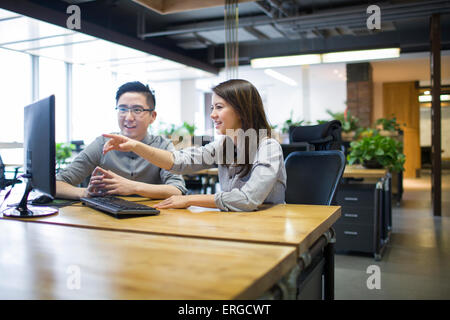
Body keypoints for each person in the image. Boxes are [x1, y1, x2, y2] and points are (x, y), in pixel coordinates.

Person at [102, 79, 286, 211]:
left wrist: (189, 199)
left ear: (241, 111)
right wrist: (135, 145)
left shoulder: (268, 147)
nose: (213, 114)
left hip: (270, 225)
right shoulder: (224, 146)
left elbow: (248, 199)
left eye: (219, 107)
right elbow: (180, 162)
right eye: (212, 108)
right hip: (238, 225)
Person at [56, 81, 187, 199]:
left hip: (151, 220)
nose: (128, 117)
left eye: (137, 110)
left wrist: (133, 187)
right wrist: (84, 193)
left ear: (152, 116)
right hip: (106, 218)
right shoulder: (102, 143)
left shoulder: (163, 146)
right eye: (123, 109)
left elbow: (177, 189)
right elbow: (57, 184)